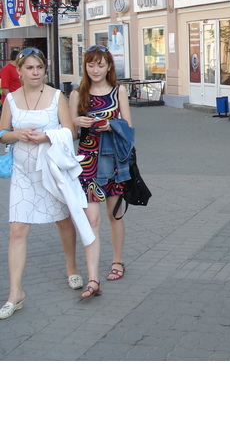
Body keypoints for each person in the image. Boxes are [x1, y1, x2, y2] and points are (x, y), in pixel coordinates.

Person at [0, 48, 96, 319]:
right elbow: (2, 134)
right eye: (29, 68)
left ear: (44, 70)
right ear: (19, 71)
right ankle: (15, 293)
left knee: (63, 221)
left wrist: (47, 137)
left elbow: (70, 131)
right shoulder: (11, 99)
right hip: (23, 171)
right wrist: (15, 133)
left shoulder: (56, 96)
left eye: (39, 68)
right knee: (17, 230)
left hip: (51, 170)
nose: (34, 72)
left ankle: (72, 268)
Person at [70, 45, 133, 296]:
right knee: (91, 219)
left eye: (100, 64)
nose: (95, 69)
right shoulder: (77, 94)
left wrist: (110, 125)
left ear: (109, 67)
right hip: (86, 165)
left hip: (114, 163)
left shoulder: (119, 91)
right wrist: (75, 122)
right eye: (91, 64)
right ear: (85, 66)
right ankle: (93, 278)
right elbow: (70, 135)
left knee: (114, 215)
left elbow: (129, 128)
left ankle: (118, 260)